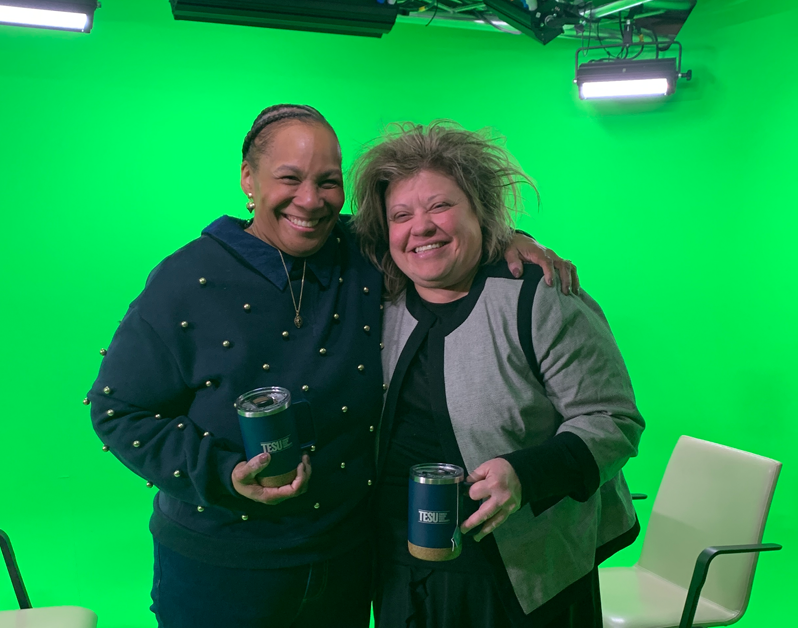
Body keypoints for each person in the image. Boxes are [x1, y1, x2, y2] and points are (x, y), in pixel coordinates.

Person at [86, 105, 579, 628]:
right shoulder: (184, 279)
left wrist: (507, 241)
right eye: (289, 179)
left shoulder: (362, 250)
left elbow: (430, 233)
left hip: (348, 562)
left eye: (328, 182)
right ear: (248, 179)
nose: (310, 201)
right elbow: (118, 410)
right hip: (220, 567)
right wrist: (223, 473)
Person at [352, 121, 644, 628]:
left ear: (481, 212)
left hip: (523, 572)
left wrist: (526, 476)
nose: (420, 227)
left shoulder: (540, 296)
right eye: (401, 214)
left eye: (441, 206)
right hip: (402, 565)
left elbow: (612, 419)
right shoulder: (384, 301)